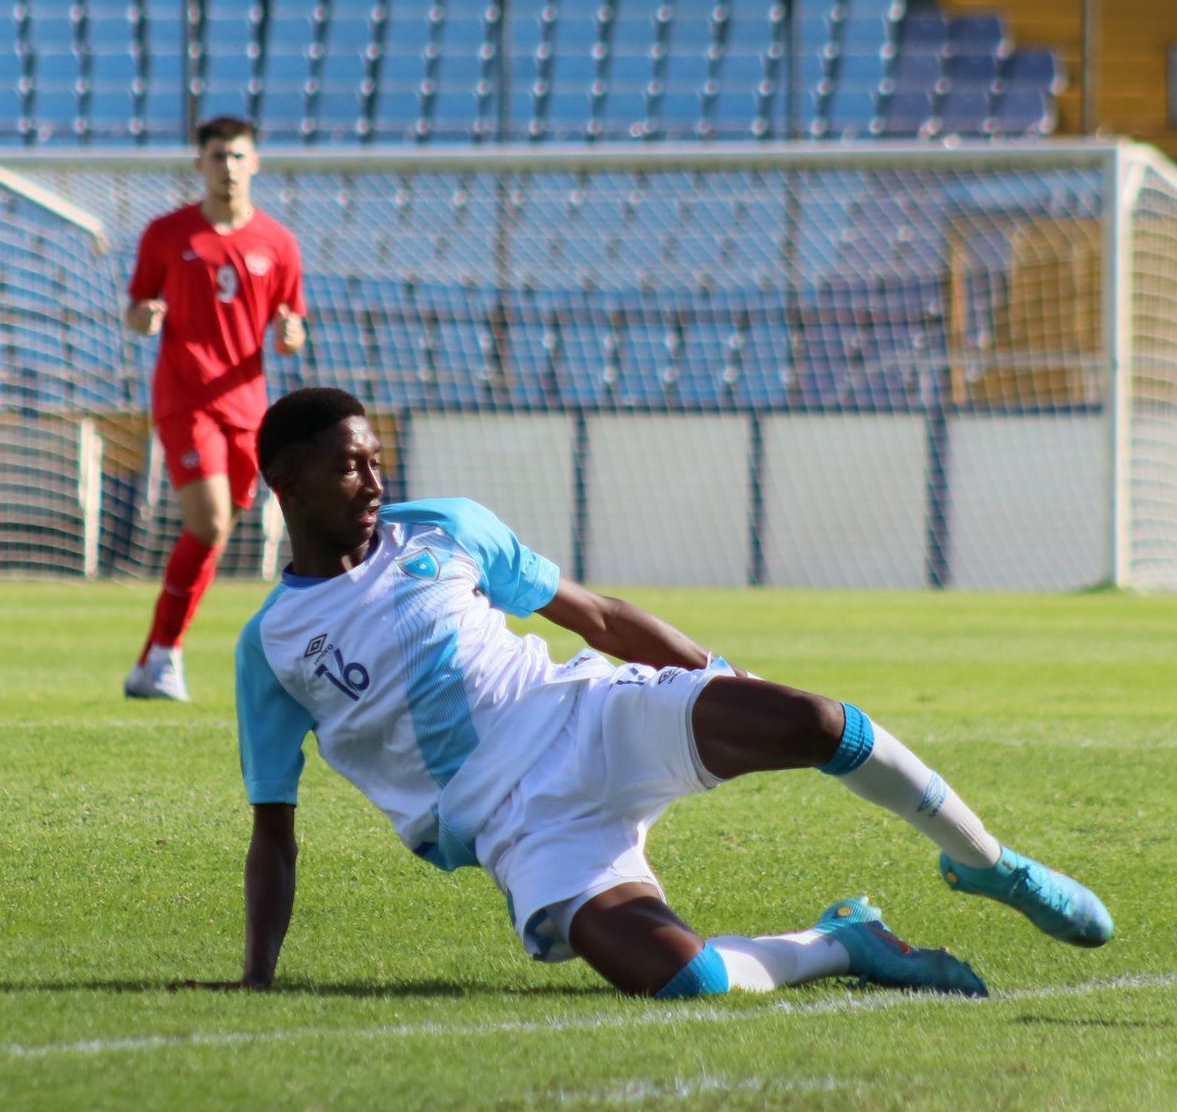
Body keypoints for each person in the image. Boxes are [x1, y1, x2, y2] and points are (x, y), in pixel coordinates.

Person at [213, 387, 1115, 998]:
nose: (374, 482)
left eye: (376, 460)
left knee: (817, 724)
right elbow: (271, 828)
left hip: (586, 716)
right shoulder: (274, 648)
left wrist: (722, 674)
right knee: (688, 983)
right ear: (284, 481)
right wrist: (258, 975)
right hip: (519, 829)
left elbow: (598, 618)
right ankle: (849, 943)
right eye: (348, 466)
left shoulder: (446, 529)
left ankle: (991, 865)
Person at [122, 117, 306, 702]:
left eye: (238, 156)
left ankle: (154, 657)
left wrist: (289, 333)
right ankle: (167, 655)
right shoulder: (167, 233)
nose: (227, 166)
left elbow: (291, 329)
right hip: (185, 397)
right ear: (198, 163)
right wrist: (145, 317)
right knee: (209, 522)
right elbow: (135, 308)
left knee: (217, 533)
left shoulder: (278, 242)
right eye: (217, 155)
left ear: (255, 164)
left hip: (247, 406)